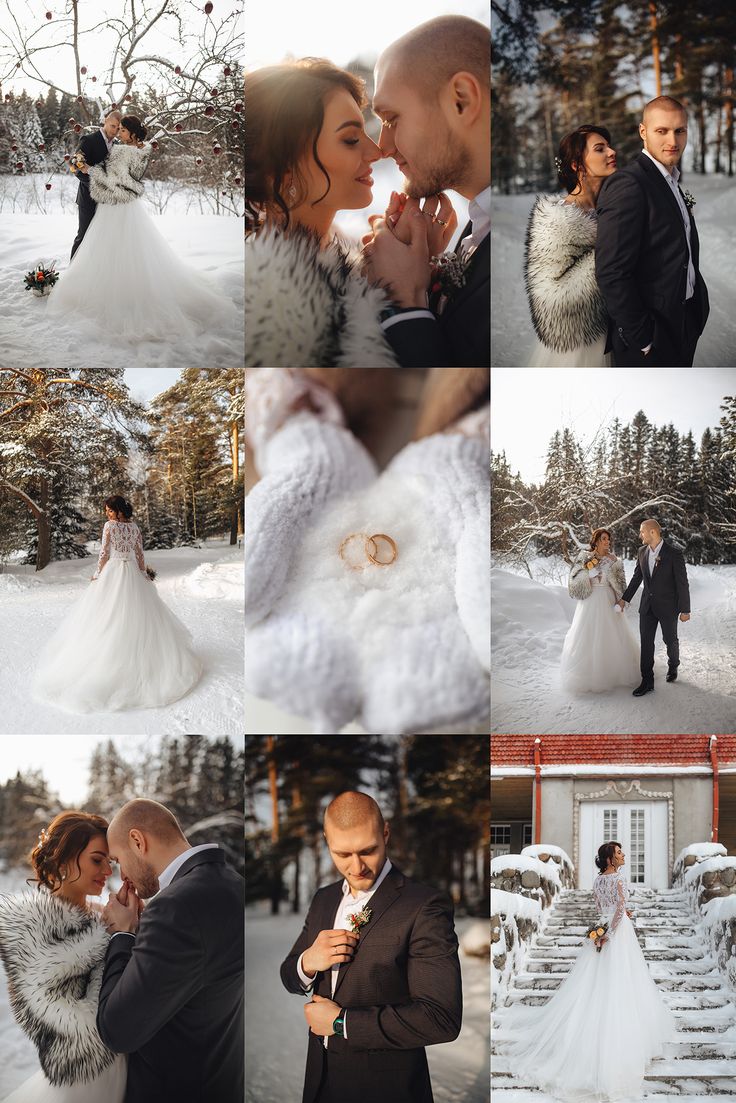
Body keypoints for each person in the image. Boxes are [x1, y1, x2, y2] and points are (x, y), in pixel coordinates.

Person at [280, 791, 462, 1103]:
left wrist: (341, 1023)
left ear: (386, 833)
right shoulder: (323, 899)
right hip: (319, 1081)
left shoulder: (424, 906)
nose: (357, 867)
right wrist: (308, 961)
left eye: (368, 850)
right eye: (342, 854)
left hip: (386, 1088)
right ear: (326, 841)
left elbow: (440, 1018)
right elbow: (289, 976)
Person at [245, 59, 400, 366]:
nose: (376, 151)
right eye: (351, 139)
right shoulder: (270, 305)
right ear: (282, 166)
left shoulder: (354, 262)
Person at [499, 841, 675, 1100]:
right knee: (623, 979)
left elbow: (601, 908)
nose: (623, 855)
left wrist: (601, 930)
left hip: (601, 927)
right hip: (616, 932)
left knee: (599, 981)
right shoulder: (619, 879)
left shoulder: (597, 881)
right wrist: (611, 932)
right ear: (609, 859)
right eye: (619, 853)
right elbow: (617, 911)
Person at [362, 16, 490, 368]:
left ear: (460, 100)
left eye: (391, 119)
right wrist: (421, 274)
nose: (383, 147)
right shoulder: (480, 226)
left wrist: (403, 300)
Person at [97, 798, 244, 1103]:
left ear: (137, 841)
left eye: (117, 860)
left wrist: (121, 935)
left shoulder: (174, 908)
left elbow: (117, 1031)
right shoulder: (234, 884)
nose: (121, 875)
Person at [47, 114, 236, 343]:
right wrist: (83, 169)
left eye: (123, 129)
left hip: (116, 205)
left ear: (132, 133)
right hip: (110, 202)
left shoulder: (125, 150)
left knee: (110, 244)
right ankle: (102, 283)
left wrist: (90, 170)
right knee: (103, 243)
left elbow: (117, 179)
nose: (119, 132)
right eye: (117, 128)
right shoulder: (132, 148)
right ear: (106, 123)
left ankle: (113, 289)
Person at [0, 811, 127, 1103]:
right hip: (83, 1079)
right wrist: (117, 934)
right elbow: (67, 1018)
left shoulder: (106, 917)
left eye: (110, 862)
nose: (108, 872)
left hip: (124, 1067)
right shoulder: (30, 928)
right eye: (97, 860)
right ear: (63, 858)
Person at [33, 495, 201, 712]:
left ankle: (113, 656)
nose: (107, 514)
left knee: (107, 615)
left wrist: (97, 575)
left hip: (114, 571)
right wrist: (143, 575)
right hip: (131, 571)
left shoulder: (109, 527)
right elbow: (140, 555)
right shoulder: (134, 528)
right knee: (137, 615)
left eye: (109, 510)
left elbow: (104, 554)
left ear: (119, 511)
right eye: (106, 511)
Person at [596, 96, 710, 366]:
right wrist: (642, 337)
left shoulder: (671, 180)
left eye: (680, 130)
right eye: (662, 131)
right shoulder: (629, 184)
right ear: (643, 132)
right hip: (651, 337)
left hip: (684, 322)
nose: (673, 140)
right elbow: (611, 271)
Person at [525, 126, 617, 366]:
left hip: (619, 327)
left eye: (608, 146)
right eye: (600, 149)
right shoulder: (558, 219)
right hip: (582, 341)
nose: (612, 152)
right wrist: (609, 256)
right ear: (577, 164)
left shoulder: (613, 206)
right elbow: (549, 296)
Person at [616, 517, 691, 696]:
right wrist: (624, 599)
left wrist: (685, 609)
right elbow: (636, 578)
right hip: (647, 607)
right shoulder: (642, 551)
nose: (639, 534)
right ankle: (647, 681)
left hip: (668, 607)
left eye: (642, 531)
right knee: (646, 644)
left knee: (670, 640)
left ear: (652, 532)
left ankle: (674, 665)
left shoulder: (674, 553)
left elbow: (682, 583)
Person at [560, 527, 640, 692]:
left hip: (608, 599)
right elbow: (573, 579)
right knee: (588, 635)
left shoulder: (614, 560)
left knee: (611, 635)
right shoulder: (584, 557)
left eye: (608, 539)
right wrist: (589, 573)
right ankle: (588, 674)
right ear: (596, 541)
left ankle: (614, 672)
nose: (607, 542)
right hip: (589, 600)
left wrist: (621, 602)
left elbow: (621, 583)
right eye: (603, 539)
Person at [71, 108, 121, 260]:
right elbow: (75, 167)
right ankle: (73, 271)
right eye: (113, 126)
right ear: (105, 121)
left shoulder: (117, 145)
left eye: (119, 128)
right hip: (88, 198)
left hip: (109, 202)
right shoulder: (89, 140)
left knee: (103, 238)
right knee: (84, 235)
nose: (115, 131)